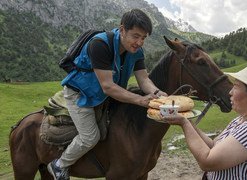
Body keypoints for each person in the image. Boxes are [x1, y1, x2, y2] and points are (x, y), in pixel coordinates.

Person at [47, 9, 167, 180]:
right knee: (90, 137)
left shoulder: (136, 52)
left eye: (143, 38)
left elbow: (143, 80)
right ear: (122, 29)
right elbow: (108, 87)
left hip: (105, 97)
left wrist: (157, 93)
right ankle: (60, 165)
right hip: (80, 96)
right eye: (136, 36)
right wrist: (140, 100)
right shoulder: (100, 45)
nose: (139, 42)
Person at [163, 63, 247, 179]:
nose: (230, 92)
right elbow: (213, 145)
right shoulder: (242, 120)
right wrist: (188, 121)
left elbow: (207, 162)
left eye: (236, 86)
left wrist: (184, 124)